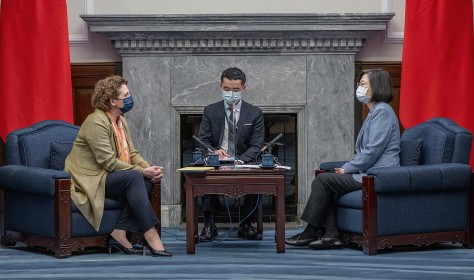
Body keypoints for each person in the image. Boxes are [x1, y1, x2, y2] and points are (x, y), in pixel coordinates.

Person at [285, 69, 400, 250]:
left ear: (376, 87)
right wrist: (349, 167)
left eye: (363, 85)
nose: (359, 88)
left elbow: (372, 151)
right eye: (359, 84)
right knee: (326, 177)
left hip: (378, 174)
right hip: (367, 171)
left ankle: (312, 232)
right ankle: (331, 234)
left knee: (324, 180)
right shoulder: (375, 112)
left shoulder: (382, 112)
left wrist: (348, 168)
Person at [64, 75, 172, 257]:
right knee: (136, 177)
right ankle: (150, 232)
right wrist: (142, 171)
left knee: (145, 181)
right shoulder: (96, 121)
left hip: (110, 175)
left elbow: (133, 154)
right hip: (91, 178)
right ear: (112, 101)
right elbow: (107, 162)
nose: (130, 99)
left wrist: (149, 168)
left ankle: (119, 232)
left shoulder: (121, 120)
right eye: (126, 95)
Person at [197, 67, 265, 241]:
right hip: (217, 161)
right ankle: (209, 225)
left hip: (244, 160)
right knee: (204, 174)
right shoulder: (210, 111)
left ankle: (246, 224)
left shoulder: (255, 113)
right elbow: (202, 140)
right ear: (221, 86)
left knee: (257, 174)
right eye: (227, 89)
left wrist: (239, 161)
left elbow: (256, 146)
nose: (231, 93)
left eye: (235, 90)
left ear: (243, 89)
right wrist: (214, 152)